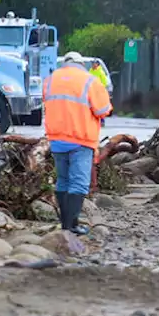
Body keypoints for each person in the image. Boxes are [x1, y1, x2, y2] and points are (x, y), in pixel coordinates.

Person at [44, 51, 113, 235]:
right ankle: (71, 225)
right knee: (79, 183)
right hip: (80, 139)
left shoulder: (50, 79)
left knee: (63, 181)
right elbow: (103, 110)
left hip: (57, 139)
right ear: (81, 64)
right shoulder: (89, 80)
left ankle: (65, 225)